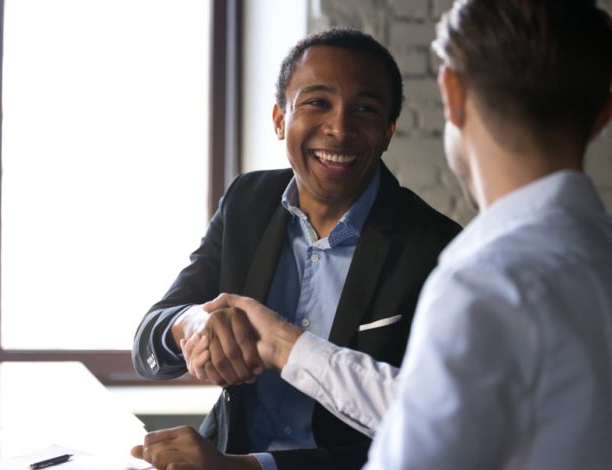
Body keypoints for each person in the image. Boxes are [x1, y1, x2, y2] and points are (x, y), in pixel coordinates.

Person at [182, 0, 612, 468]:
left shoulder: (481, 280)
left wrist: (282, 349)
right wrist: (285, 345)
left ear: (452, 94)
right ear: (604, 116)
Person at [130, 28, 461, 470]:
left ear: (388, 132)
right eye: (317, 102)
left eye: (364, 109)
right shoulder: (248, 201)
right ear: (279, 119)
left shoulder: (439, 250)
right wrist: (193, 324)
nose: (339, 129)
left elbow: (426, 430)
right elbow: (148, 341)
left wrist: (249, 468)